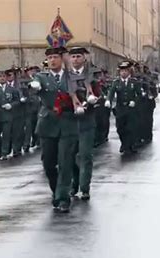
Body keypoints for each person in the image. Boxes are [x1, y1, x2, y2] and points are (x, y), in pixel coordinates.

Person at [30, 46, 78, 213]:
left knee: (65, 162)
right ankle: (55, 190)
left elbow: (80, 93)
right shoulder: (41, 77)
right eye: (49, 58)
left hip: (67, 123)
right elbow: (34, 86)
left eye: (55, 57)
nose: (52, 61)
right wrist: (34, 86)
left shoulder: (71, 77)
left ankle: (63, 197)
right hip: (48, 124)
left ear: (62, 59)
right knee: (48, 163)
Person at [67, 47, 97, 200]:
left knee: (85, 156)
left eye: (79, 56)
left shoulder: (91, 76)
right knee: (70, 156)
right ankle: (74, 184)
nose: (76, 59)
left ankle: (85, 188)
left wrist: (92, 101)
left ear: (84, 59)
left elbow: (100, 94)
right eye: (73, 56)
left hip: (86, 122)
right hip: (70, 123)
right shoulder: (65, 77)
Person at [105, 61, 142, 154]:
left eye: (125, 71)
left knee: (131, 128)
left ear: (129, 71)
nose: (123, 73)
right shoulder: (116, 82)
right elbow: (111, 92)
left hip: (131, 109)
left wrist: (134, 101)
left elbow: (140, 95)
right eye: (122, 71)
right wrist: (108, 100)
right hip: (120, 108)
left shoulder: (134, 82)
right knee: (120, 128)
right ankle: (124, 143)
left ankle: (130, 145)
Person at [0, 70, 20, 160]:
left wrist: (11, 105)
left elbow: (17, 101)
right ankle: (0, 150)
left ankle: (4, 152)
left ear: (6, 78)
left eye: (4, 76)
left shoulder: (12, 89)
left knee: (6, 134)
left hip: (7, 115)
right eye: (0, 76)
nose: (2, 78)